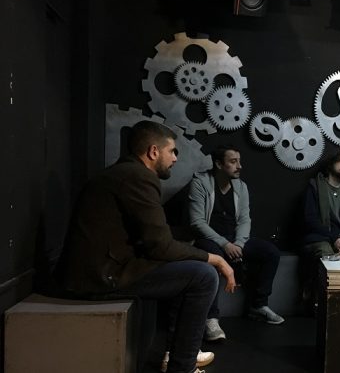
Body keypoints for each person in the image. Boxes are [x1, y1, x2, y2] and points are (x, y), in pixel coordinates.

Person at [56, 121, 235, 373]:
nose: (175, 158)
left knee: (188, 266)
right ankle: (182, 366)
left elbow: (151, 236)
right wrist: (215, 258)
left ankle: (178, 354)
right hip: (99, 277)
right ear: (153, 152)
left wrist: (188, 241)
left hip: (95, 270)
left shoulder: (125, 172)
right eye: (172, 151)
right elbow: (160, 246)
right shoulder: (138, 177)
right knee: (204, 275)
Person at [188, 145, 285, 337]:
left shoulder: (241, 186)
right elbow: (197, 222)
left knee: (271, 253)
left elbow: (244, 220)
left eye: (239, 161)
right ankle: (211, 319)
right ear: (218, 164)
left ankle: (258, 305)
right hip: (209, 240)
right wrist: (225, 244)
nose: (239, 166)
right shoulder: (200, 183)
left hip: (235, 240)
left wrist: (239, 244)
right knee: (213, 257)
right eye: (233, 162)